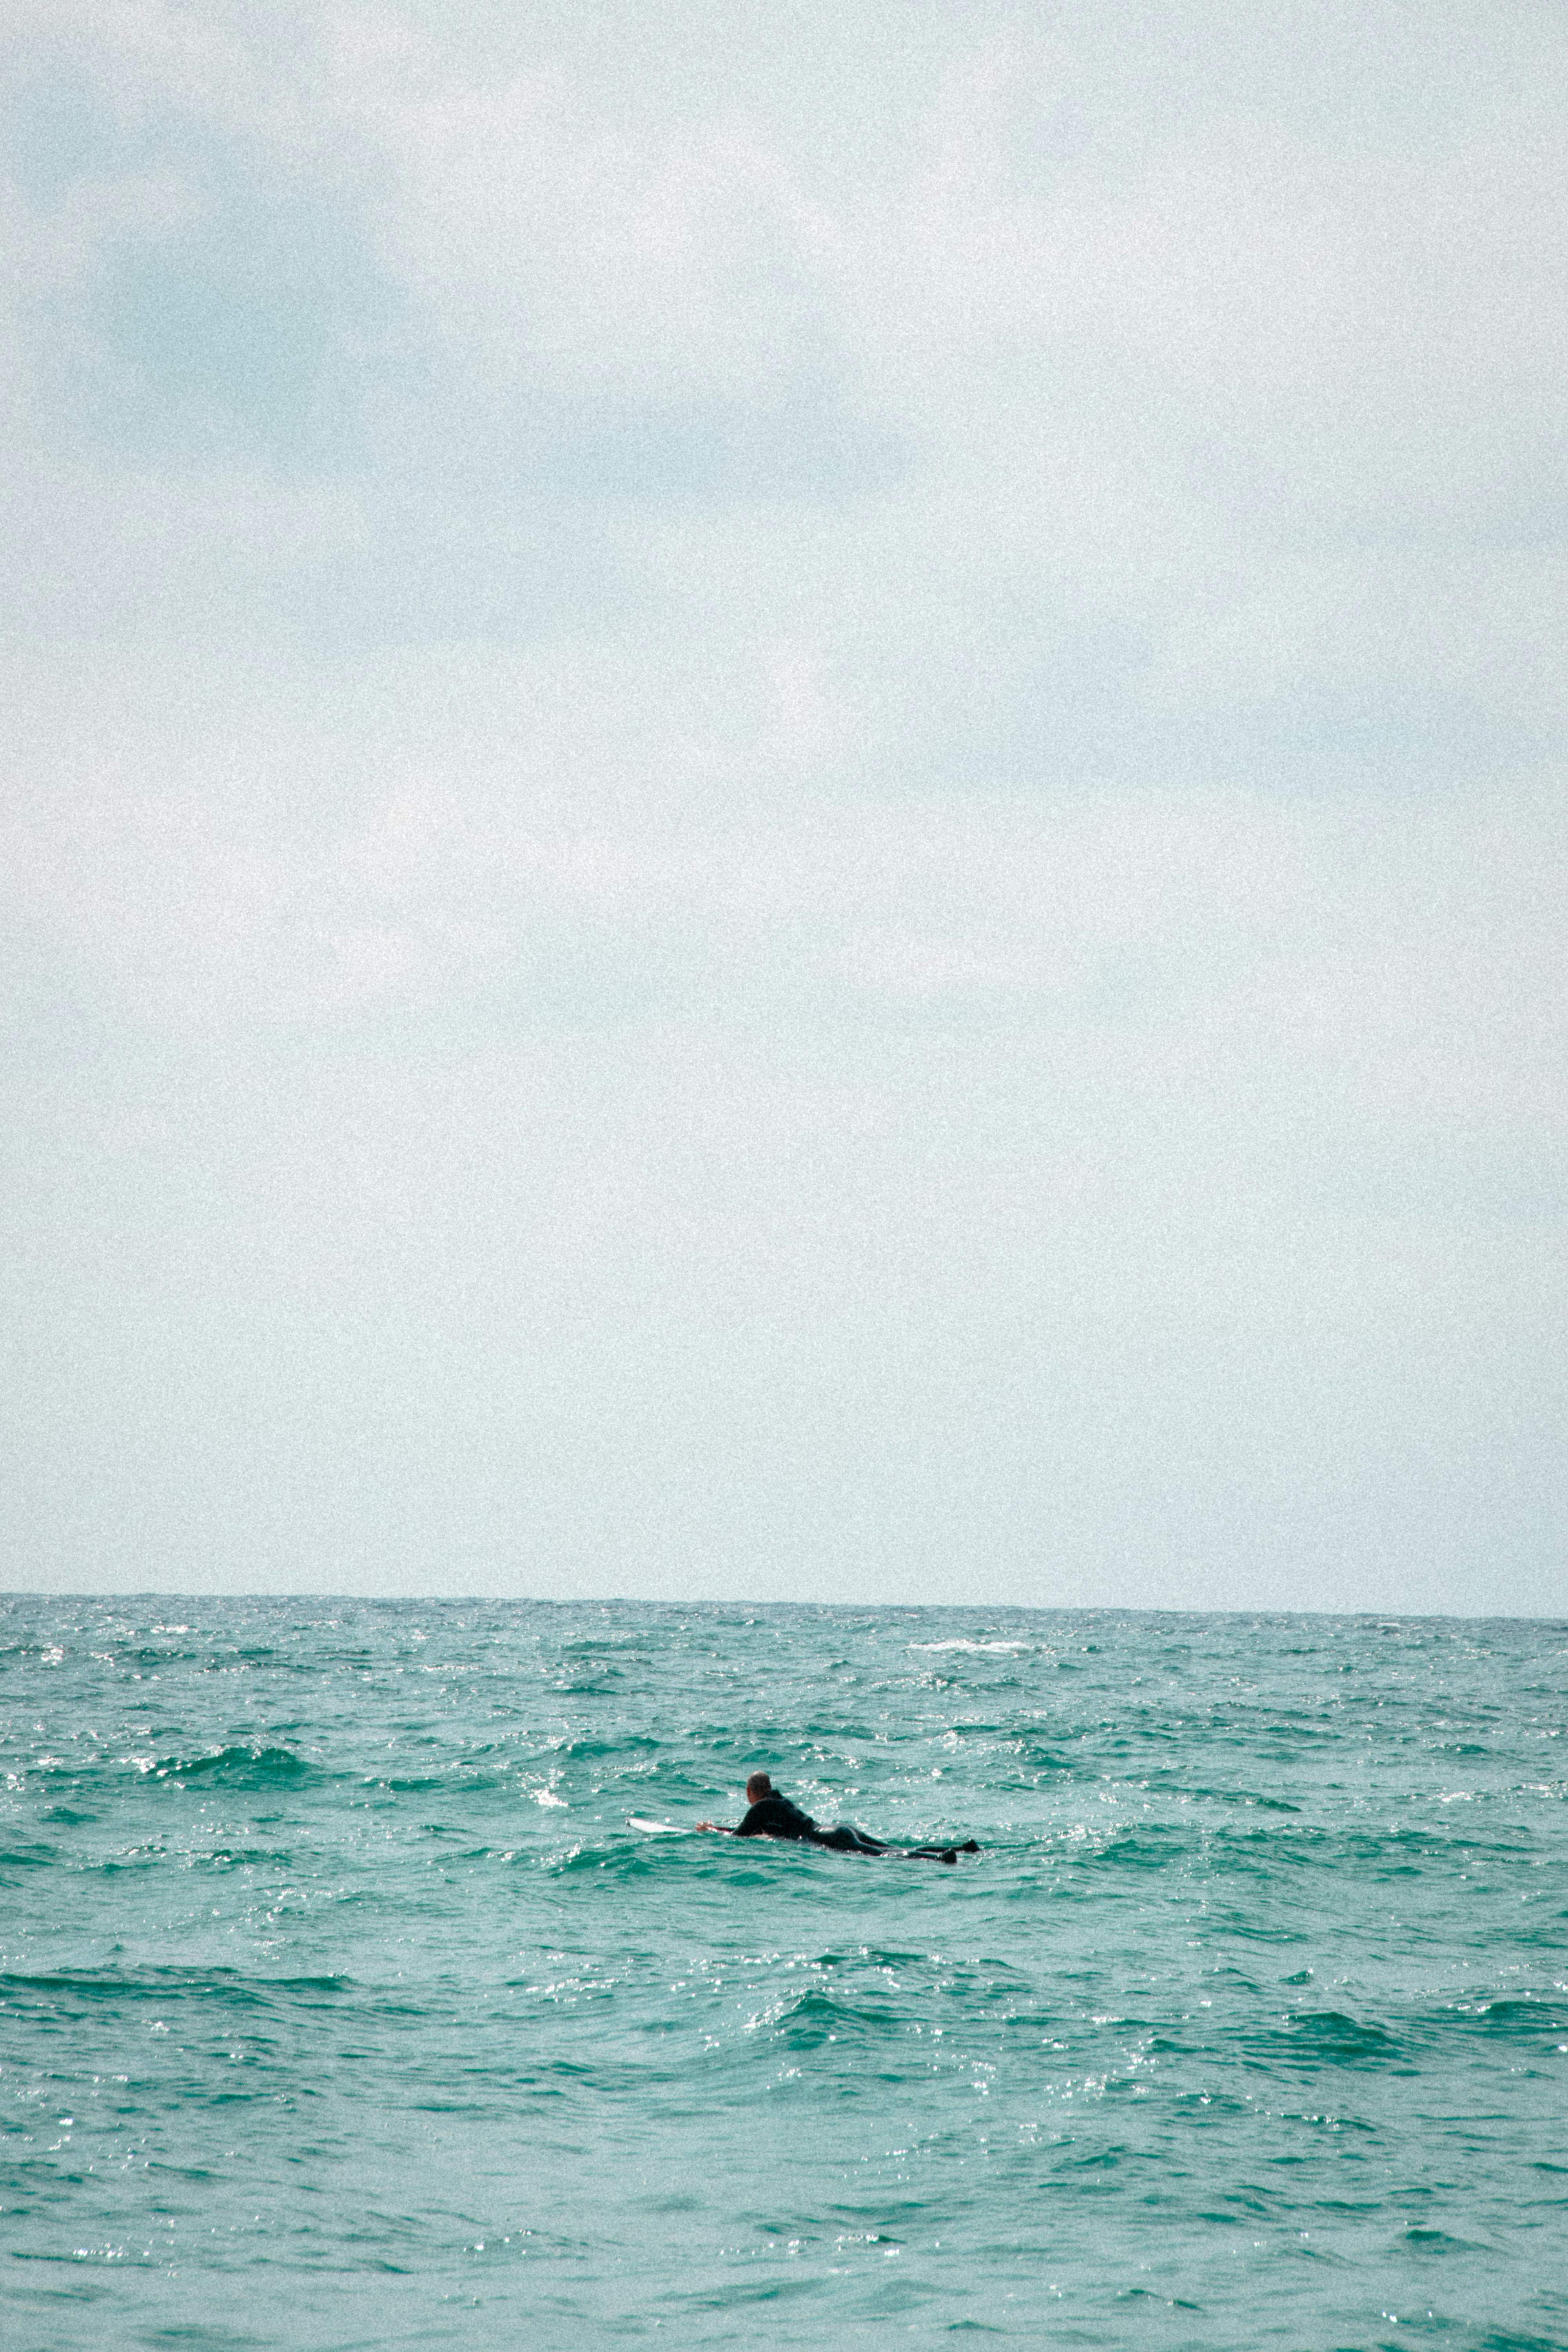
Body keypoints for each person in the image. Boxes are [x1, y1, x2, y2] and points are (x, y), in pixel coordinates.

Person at [696, 1772, 977, 1863]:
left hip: (827, 1837)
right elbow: (755, 1830)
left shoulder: (760, 1809)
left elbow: (739, 1836)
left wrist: (711, 1830)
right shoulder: (777, 1800)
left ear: (750, 1793)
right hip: (837, 1827)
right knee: (890, 1847)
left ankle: (941, 1860)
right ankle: (963, 1849)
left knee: (884, 1856)